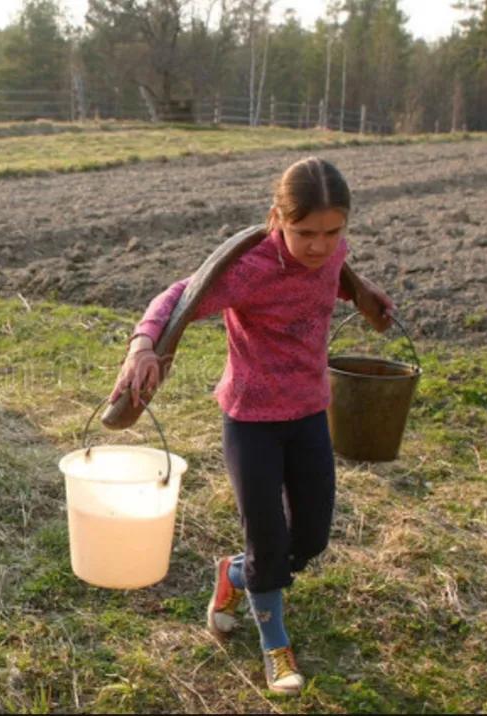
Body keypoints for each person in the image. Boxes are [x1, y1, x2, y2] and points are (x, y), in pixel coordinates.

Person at [109, 157, 394, 695]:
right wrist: (143, 344)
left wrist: (365, 293)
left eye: (333, 232)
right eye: (304, 232)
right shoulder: (251, 269)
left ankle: (235, 574)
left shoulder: (332, 253)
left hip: (310, 412)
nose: (319, 245)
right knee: (268, 537)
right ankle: (275, 645)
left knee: (308, 540)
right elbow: (177, 296)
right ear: (276, 220)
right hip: (251, 420)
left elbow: (338, 273)